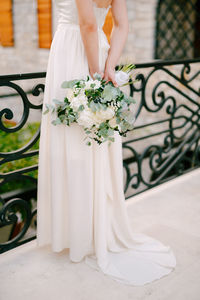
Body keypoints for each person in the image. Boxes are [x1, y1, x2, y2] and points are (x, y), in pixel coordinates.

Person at [36, 0, 176, 286]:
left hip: (73, 56)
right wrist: (109, 66)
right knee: (92, 142)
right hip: (97, 49)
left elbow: (87, 24)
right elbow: (122, 26)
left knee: (72, 140)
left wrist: (95, 73)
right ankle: (91, 228)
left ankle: (72, 232)